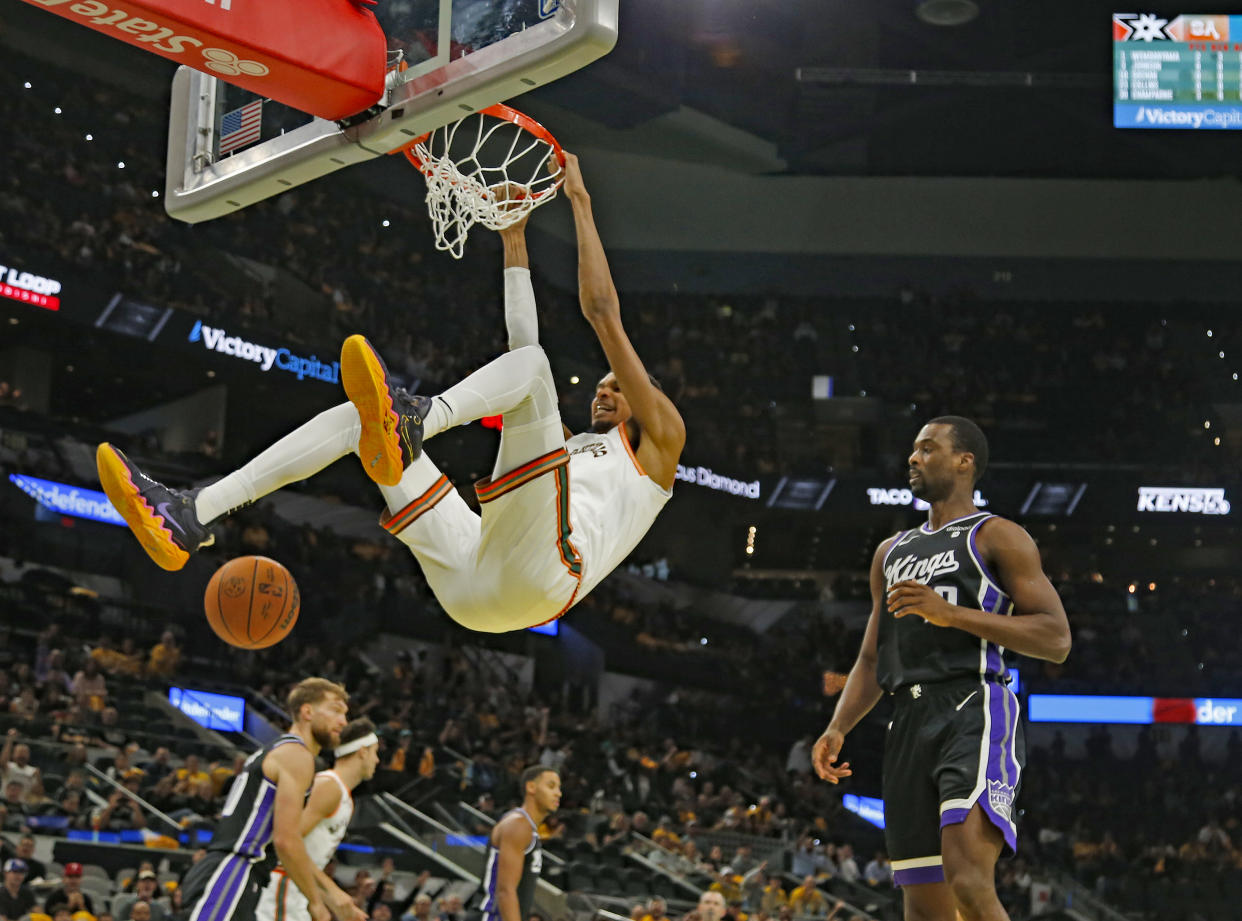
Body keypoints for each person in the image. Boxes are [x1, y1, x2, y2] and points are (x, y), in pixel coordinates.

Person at [96, 153, 686, 634]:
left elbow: (601, 313)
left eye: (618, 388)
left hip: (544, 578)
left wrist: (580, 203)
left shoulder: (659, 444)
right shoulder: (571, 448)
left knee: (533, 368)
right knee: (361, 420)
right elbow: (520, 355)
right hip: (474, 586)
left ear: (648, 401)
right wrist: (514, 243)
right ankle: (191, 513)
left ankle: (417, 419)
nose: (604, 393)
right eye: (603, 387)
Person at [812, 417, 1072, 921]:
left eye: (928, 449)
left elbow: (1056, 638)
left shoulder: (997, 536)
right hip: (907, 721)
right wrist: (838, 725)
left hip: (973, 707)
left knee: (969, 884)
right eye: (913, 450)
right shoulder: (891, 552)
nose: (913, 458)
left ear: (964, 461)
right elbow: (871, 657)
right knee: (924, 907)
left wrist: (951, 614)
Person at [177, 678, 364, 921]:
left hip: (242, 875)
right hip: (234, 871)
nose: (343, 722)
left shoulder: (284, 751)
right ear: (307, 711)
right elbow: (286, 840)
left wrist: (330, 895)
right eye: (336, 710)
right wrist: (317, 903)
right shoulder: (296, 756)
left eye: (345, 714)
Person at [256, 718, 380, 921]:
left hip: (297, 890)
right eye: (375, 752)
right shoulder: (329, 786)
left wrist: (335, 903)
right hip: (282, 887)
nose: (377, 760)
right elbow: (288, 843)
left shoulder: (343, 796)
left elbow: (307, 859)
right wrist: (333, 891)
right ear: (363, 751)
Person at [480, 766, 561, 921]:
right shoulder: (518, 825)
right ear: (531, 787)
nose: (558, 793)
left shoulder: (527, 827)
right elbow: (505, 891)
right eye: (551, 786)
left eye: (559, 787)